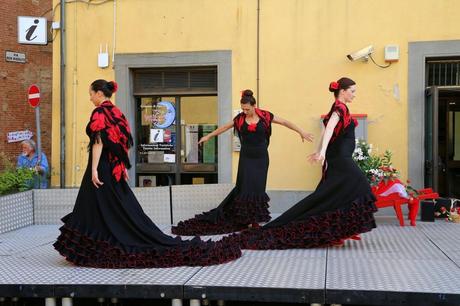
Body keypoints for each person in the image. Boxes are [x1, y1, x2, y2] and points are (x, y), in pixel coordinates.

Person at [53, 79, 241, 268]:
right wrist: (123, 166)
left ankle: (94, 246)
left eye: (91, 93)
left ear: (100, 94)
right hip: (114, 167)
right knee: (111, 206)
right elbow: (125, 142)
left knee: (95, 205)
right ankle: (99, 243)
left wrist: (94, 169)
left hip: (102, 166)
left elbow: (98, 142)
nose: (90, 97)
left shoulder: (100, 113)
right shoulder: (118, 113)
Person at [234, 78, 377, 249]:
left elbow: (325, 131)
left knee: (331, 195)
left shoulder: (338, 107)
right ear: (343, 91)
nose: (354, 94)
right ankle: (337, 229)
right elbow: (329, 128)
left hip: (339, 158)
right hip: (341, 159)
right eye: (352, 91)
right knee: (359, 186)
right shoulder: (340, 107)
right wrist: (322, 152)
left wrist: (319, 151)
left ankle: (336, 231)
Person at [172, 89, 314, 236]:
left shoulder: (265, 116)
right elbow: (224, 128)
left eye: (247, 109)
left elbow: (285, 122)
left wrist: (301, 131)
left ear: (254, 106)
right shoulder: (239, 119)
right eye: (243, 109)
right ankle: (245, 219)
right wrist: (208, 136)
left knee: (258, 188)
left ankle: (255, 220)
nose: (245, 111)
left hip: (261, 158)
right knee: (245, 187)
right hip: (246, 158)